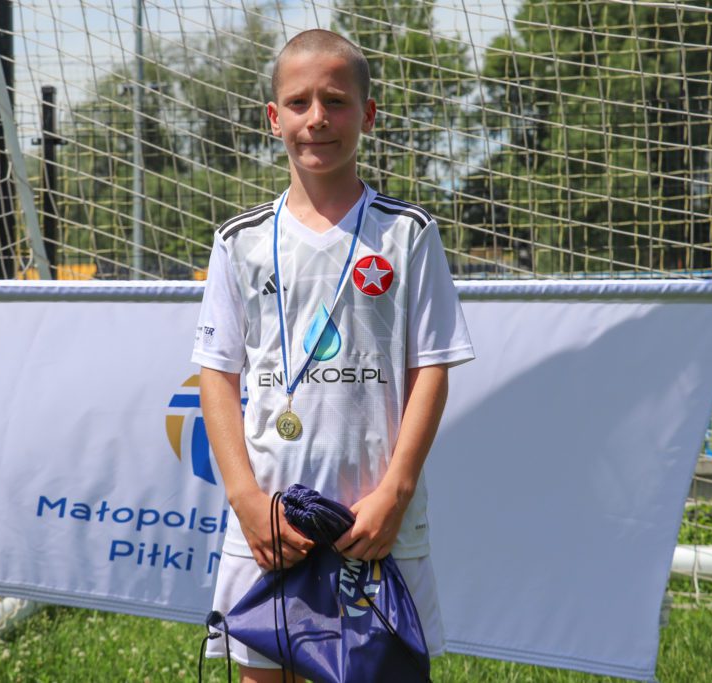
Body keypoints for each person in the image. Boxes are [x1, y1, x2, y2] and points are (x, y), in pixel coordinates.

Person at [191, 28, 474, 683]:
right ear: (274, 118)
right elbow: (217, 374)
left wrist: (395, 491)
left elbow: (431, 369)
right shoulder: (239, 242)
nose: (316, 117)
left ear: (368, 114)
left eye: (336, 101)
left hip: (376, 526)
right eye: (298, 102)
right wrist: (245, 498)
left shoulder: (407, 233)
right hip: (271, 524)